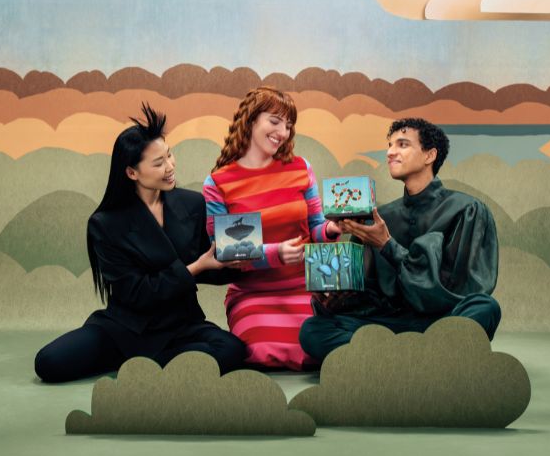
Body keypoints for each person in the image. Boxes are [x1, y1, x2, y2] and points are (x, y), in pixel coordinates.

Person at [34, 104, 246, 383]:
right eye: (158, 163)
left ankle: (144, 365)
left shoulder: (192, 203)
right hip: (125, 328)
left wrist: (234, 262)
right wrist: (196, 267)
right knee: (49, 362)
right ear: (132, 172)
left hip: (181, 325)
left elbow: (207, 267)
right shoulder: (105, 224)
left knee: (233, 349)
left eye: (169, 155)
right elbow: (138, 292)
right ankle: (149, 363)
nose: (170, 167)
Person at [299, 117, 501, 363]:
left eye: (402, 144)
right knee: (313, 330)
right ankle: (430, 359)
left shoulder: (467, 210)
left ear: (429, 155)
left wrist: (387, 245)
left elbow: (459, 291)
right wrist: (335, 298)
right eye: (390, 145)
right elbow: (368, 295)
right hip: (389, 323)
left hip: (442, 319)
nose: (390, 152)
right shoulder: (380, 217)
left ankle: (387, 360)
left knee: (485, 307)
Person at [203, 86, 340, 370]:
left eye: (288, 125)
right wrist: (276, 253)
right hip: (253, 294)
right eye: (275, 122)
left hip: (305, 287)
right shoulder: (217, 183)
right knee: (259, 350)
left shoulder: (301, 168)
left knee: (319, 342)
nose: (283, 132)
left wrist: (330, 230)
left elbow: (315, 226)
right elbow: (227, 253)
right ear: (251, 120)